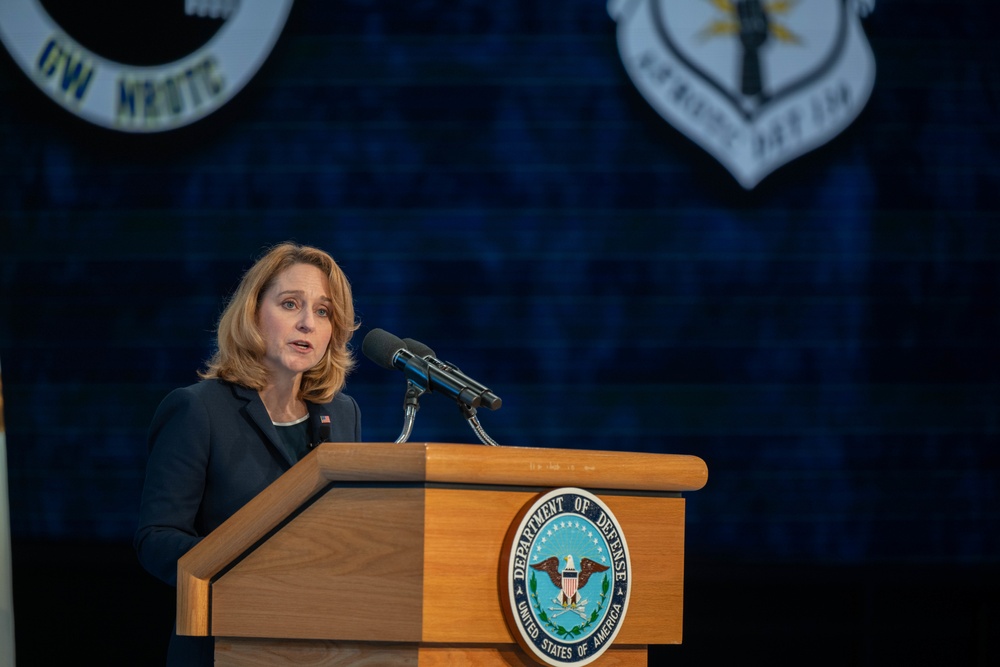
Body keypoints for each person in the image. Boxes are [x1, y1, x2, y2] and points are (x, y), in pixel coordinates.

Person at [134, 242, 362, 665]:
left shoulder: (342, 414)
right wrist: (245, 576)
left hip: (322, 645)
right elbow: (157, 538)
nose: (308, 323)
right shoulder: (198, 409)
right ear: (254, 313)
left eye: (323, 311)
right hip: (224, 644)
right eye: (290, 304)